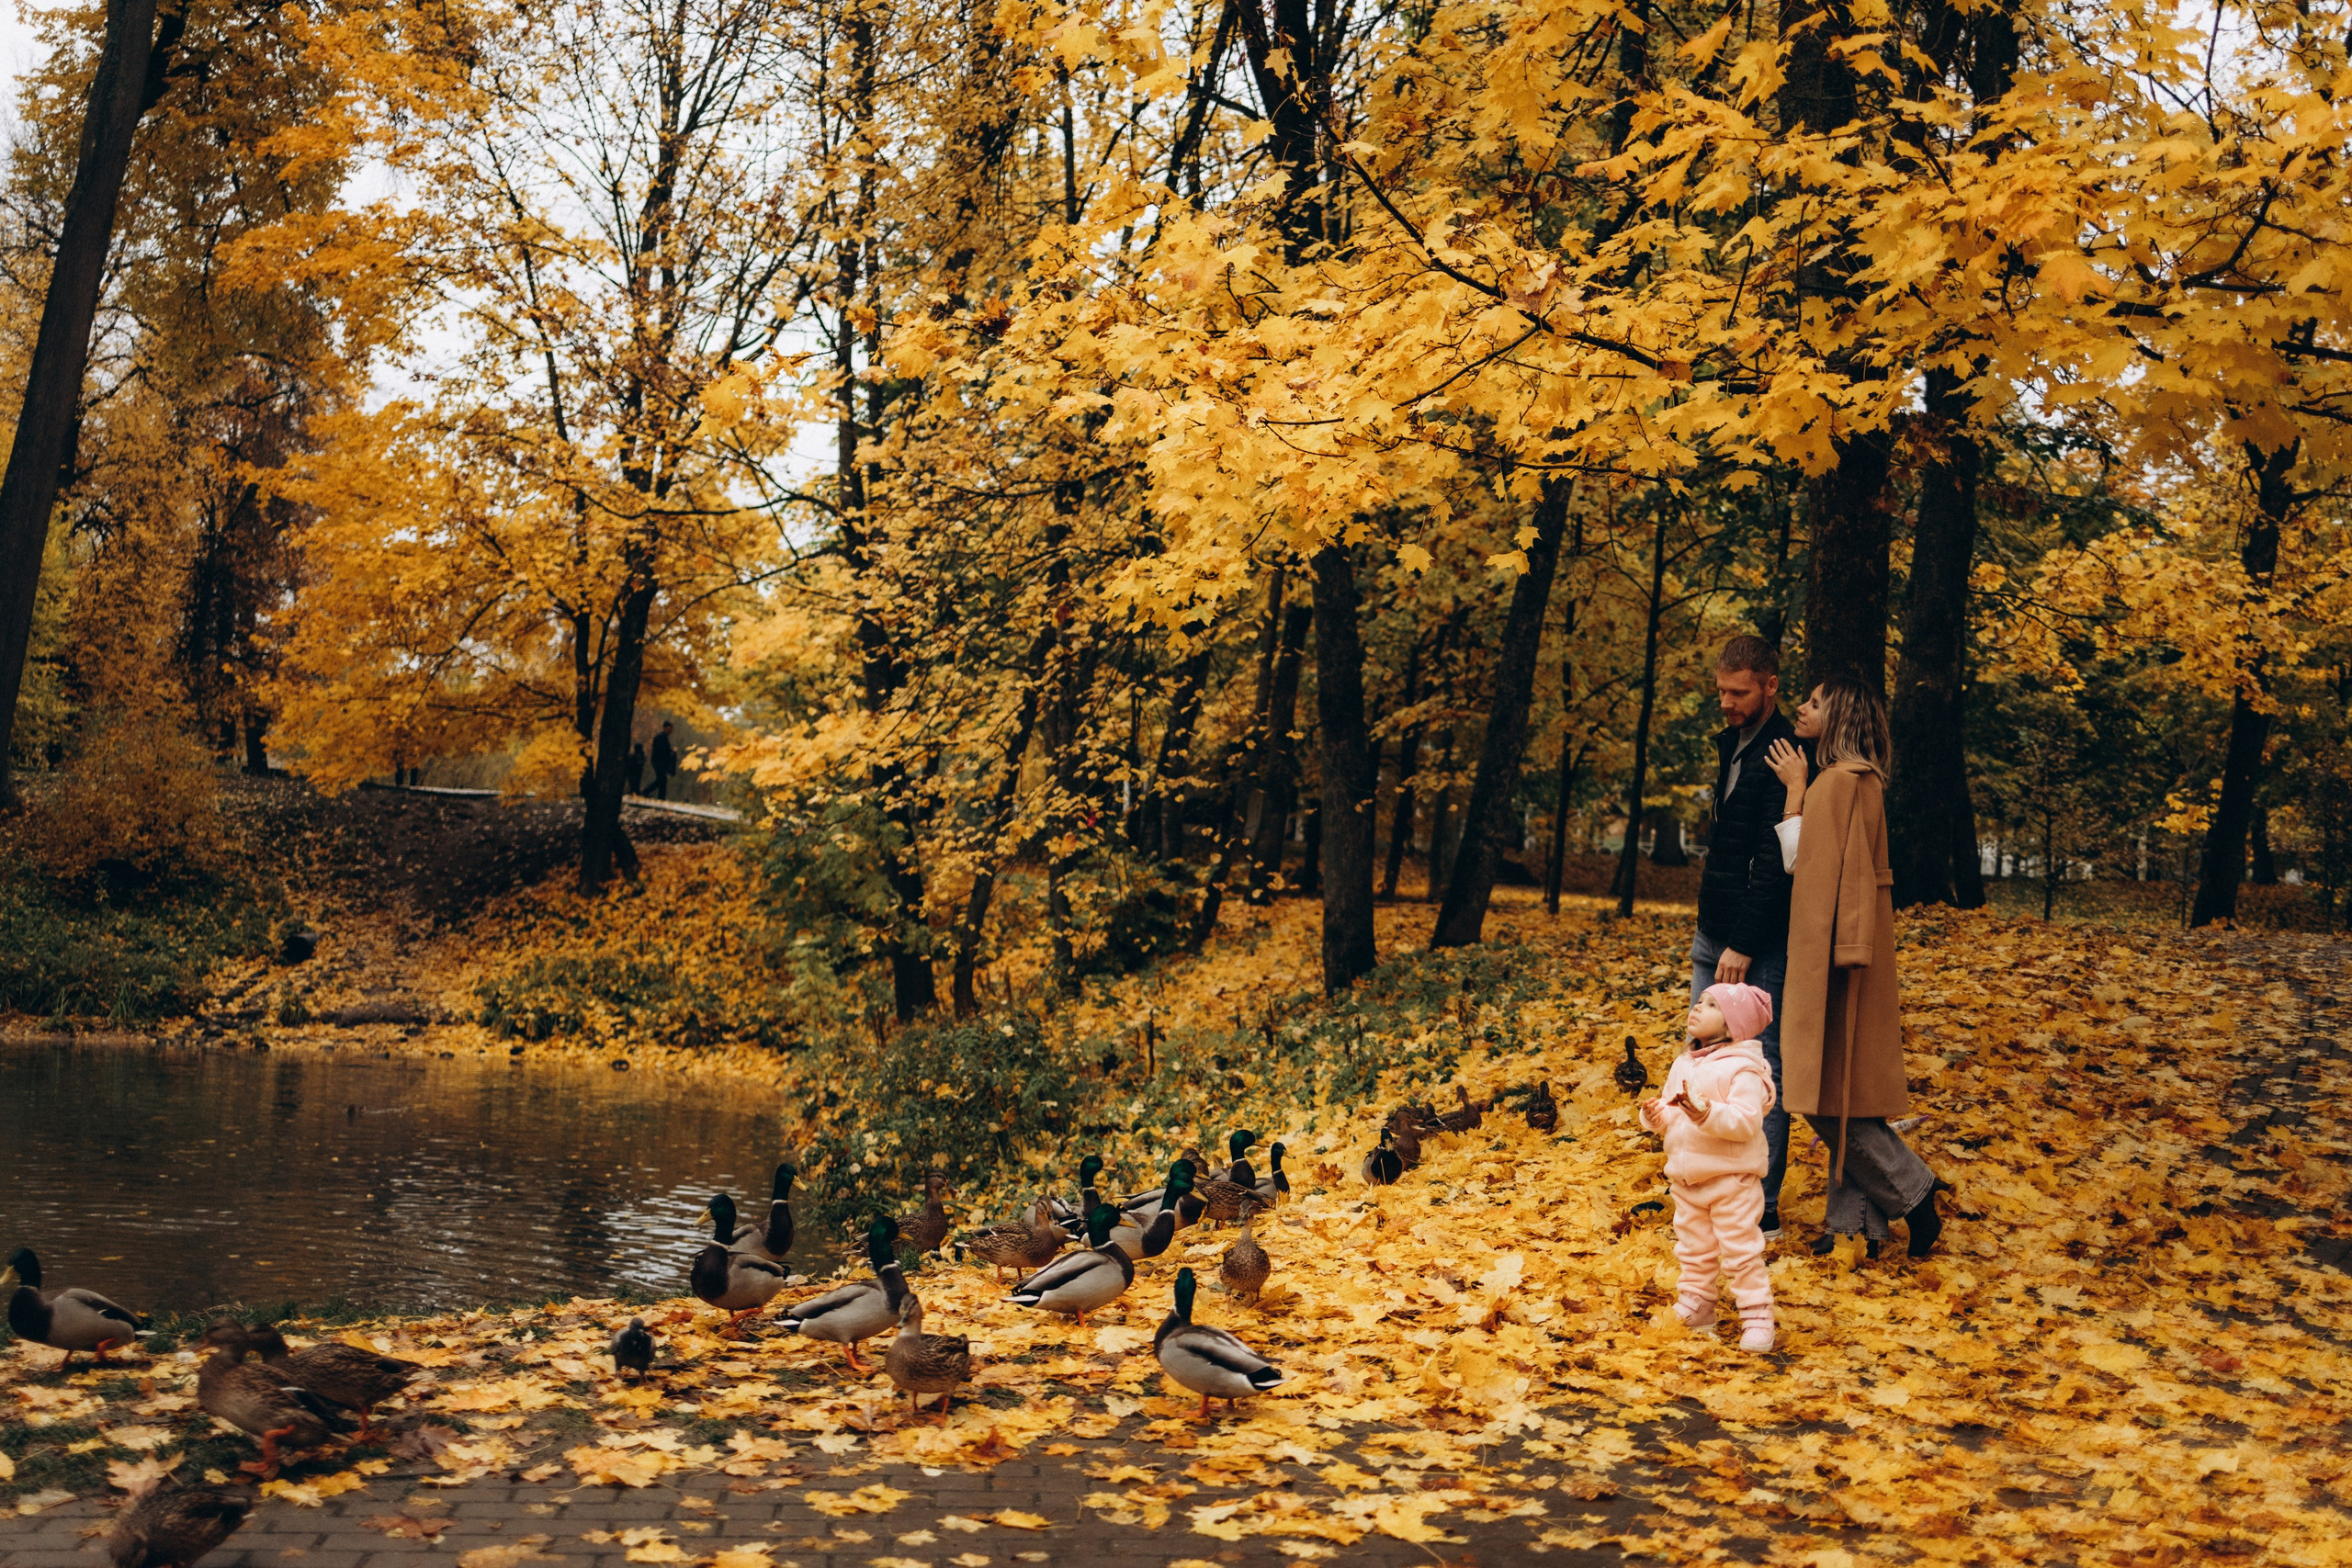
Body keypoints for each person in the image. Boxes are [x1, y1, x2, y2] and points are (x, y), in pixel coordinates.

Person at [1766, 678, 1945, 1258]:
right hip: (1855, 948)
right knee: (1849, 1088)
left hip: (1836, 955)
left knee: (1820, 1092)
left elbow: (1803, 866)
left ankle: (1914, 1191)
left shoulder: (1837, 783)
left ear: (1837, 716)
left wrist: (1796, 790)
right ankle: (1856, 1228)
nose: (1801, 706)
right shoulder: (1861, 779)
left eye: (1814, 702)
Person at [1691, 634, 1797, 1240]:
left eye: (1738, 692)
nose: (1726, 703)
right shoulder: (1731, 743)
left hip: (1752, 943)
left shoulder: (1786, 754)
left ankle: (1764, 1208)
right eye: (1721, 691)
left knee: (1758, 1067)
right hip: (1712, 933)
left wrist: (1744, 942)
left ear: (1769, 686)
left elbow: (1777, 860)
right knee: (1702, 1062)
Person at [1640, 982, 1780, 1352]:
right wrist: (1656, 1116)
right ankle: (1698, 1305)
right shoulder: (1683, 1063)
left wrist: (1706, 1113)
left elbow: (1746, 1122)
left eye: (1712, 1005)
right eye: (1700, 1000)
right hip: (1687, 1179)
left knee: (1741, 1252)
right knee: (1693, 1248)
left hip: (1730, 1180)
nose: (1698, 1008)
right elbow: (1673, 1110)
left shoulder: (1743, 1070)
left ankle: (1757, 1316)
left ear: (1734, 1026)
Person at [650, 722, 678, 801]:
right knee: (661, 780)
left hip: (659, 762)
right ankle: (647, 792)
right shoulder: (661, 737)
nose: (670, 731)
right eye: (669, 729)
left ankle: (660, 797)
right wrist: (671, 751)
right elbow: (663, 750)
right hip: (658, 762)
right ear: (665, 727)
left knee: (661, 780)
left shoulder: (663, 737)